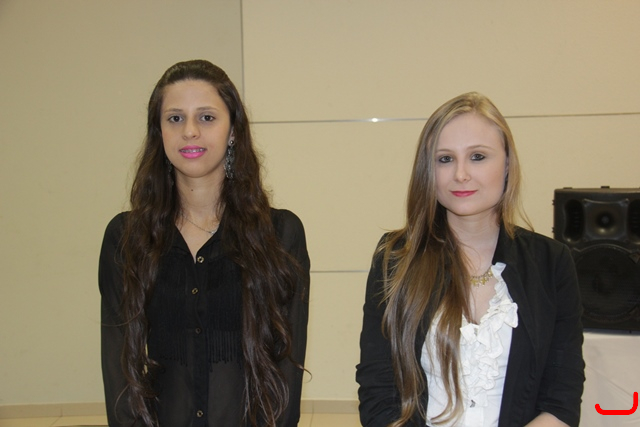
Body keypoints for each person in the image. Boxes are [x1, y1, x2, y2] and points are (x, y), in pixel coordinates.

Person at [99, 60, 310, 427]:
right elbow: (120, 367)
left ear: (233, 131)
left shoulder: (280, 234)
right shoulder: (126, 238)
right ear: (159, 132)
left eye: (207, 117)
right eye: (175, 118)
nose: (190, 131)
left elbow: (285, 370)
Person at [356, 92, 584, 427]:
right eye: (445, 159)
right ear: (427, 170)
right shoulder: (395, 258)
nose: (461, 174)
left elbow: (561, 400)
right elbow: (379, 395)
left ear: (507, 165)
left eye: (478, 156)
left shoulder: (552, 262)